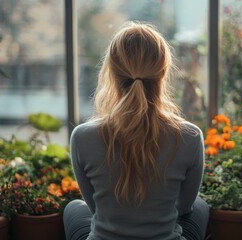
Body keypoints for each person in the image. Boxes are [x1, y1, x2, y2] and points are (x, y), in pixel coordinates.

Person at [63, 21, 209, 240]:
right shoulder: (190, 136)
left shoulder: (82, 137)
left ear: (112, 74)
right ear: (162, 73)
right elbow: (185, 206)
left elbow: (95, 210)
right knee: (199, 206)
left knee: (74, 208)